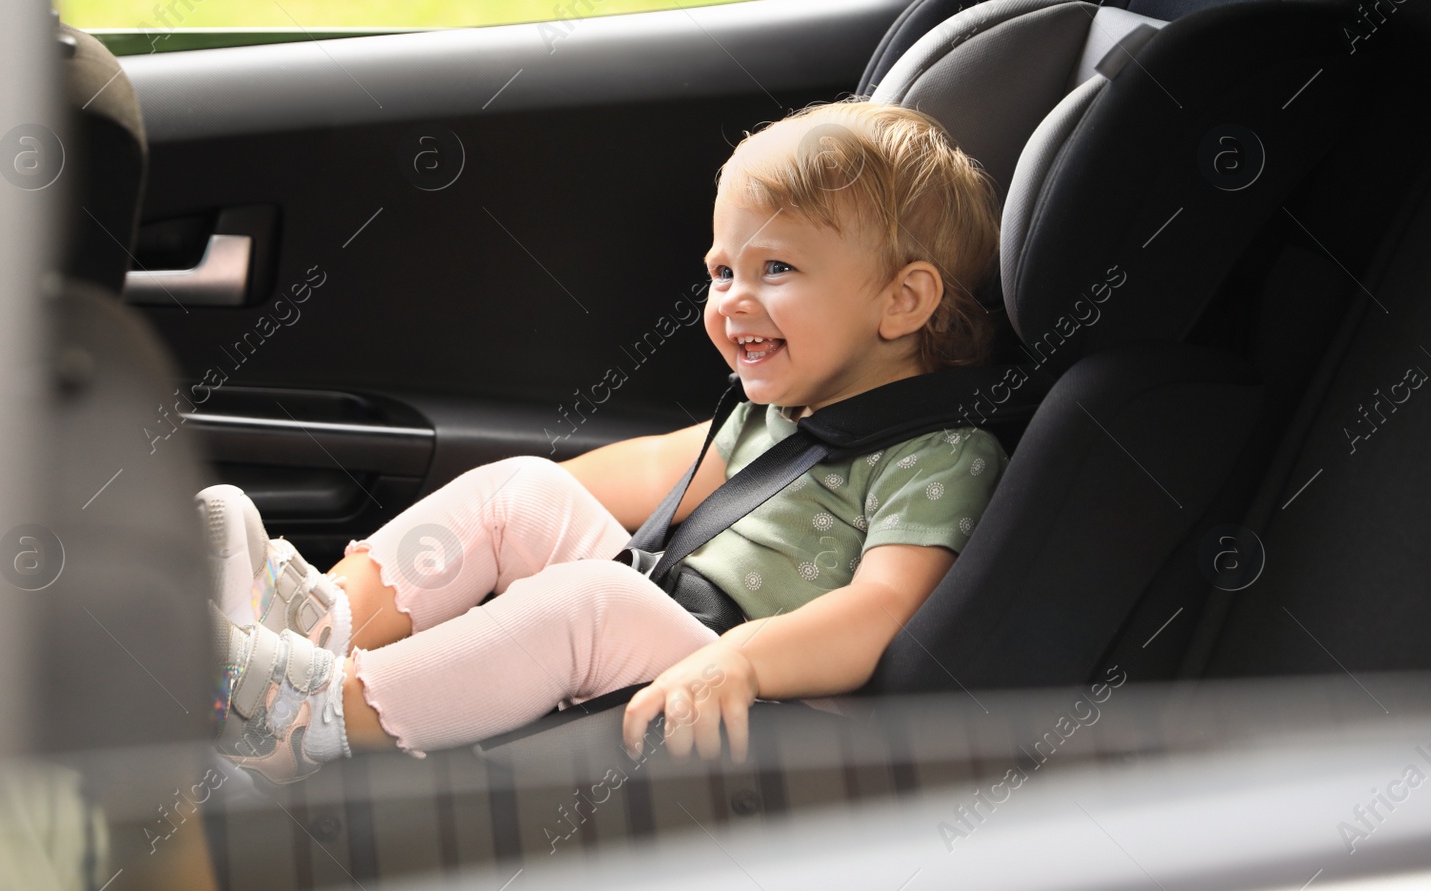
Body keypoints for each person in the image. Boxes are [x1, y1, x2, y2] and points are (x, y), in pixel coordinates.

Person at [206, 99, 1008, 784]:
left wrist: (746, 661)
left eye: (777, 269)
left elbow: (882, 610)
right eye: (723, 271)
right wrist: (511, 529)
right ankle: (320, 621)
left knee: (595, 599)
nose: (731, 300)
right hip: (688, 631)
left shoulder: (940, 454)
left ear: (903, 301)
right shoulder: (787, 412)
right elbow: (649, 471)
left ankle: (299, 718)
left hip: (771, 709)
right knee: (522, 487)